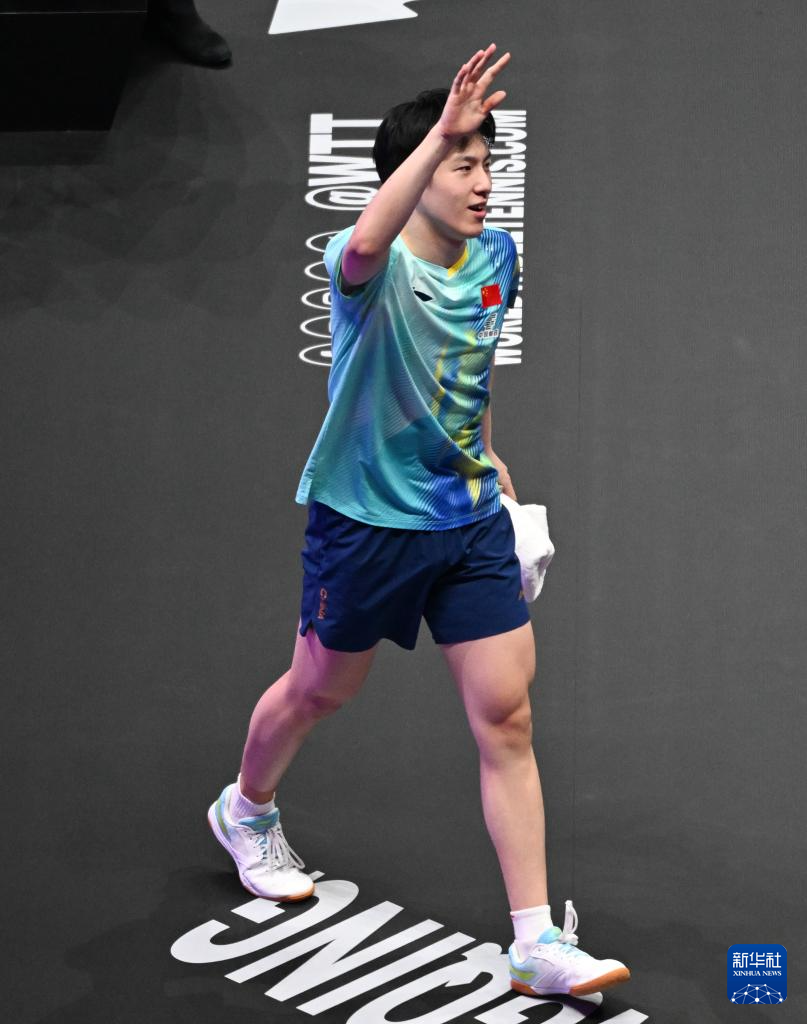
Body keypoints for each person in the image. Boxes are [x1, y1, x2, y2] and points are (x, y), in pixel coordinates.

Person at [208, 44, 631, 999]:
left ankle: (533, 943)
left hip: (466, 520)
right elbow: (365, 242)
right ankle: (245, 809)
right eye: (460, 163)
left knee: (506, 717)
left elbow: (469, 374)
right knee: (320, 690)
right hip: (364, 523)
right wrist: (435, 132)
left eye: (488, 163)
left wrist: (495, 466)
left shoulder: (497, 257)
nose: (483, 183)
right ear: (417, 170)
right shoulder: (367, 268)